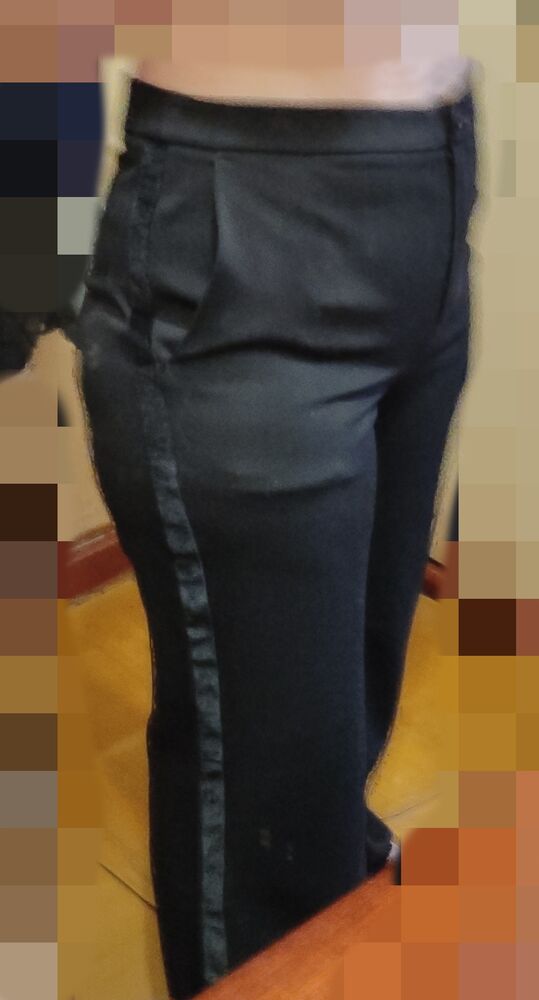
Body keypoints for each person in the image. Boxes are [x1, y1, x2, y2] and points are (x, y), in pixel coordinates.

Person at [1, 23, 481, 1000]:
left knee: (348, 686)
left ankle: (327, 904)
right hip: (235, 224)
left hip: (426, 190)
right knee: (266, 771)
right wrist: (26, 255)